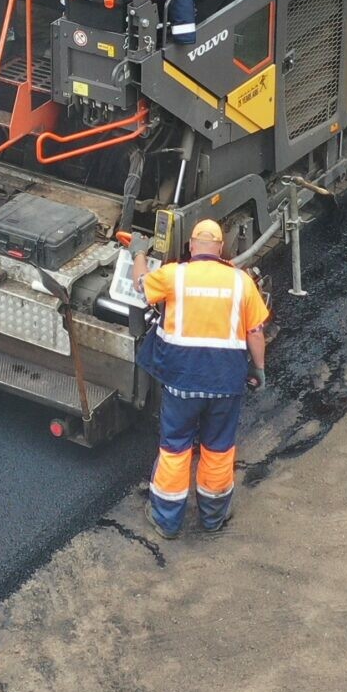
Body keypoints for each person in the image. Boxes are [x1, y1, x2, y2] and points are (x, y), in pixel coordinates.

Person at [134, 219, 268, 538]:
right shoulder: (241, 282)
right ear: (220, 249)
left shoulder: (174, 276)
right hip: (226, 384)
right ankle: (212, 519)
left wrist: (138, 252)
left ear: (192, 246)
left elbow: (141, 286)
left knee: (175, 449)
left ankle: (166, 522)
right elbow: (255, 332)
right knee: (218, 449)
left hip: (182, 383)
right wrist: (258, 369)